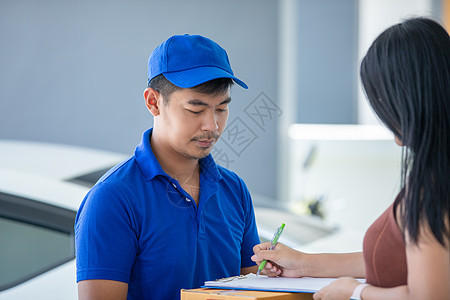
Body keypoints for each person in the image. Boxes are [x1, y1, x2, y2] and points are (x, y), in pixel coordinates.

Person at [252, 17, 449, 300]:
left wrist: (356, 292)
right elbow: (396, 257)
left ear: (407, 101)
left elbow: (430, 295)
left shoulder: (432, 187)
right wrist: (304, 263)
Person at [75, 34, 260, 299]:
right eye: (196, 110)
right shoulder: (113, 198)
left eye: (221, 109)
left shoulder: (234, 190)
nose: (212, 125)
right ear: (153, 102)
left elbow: (255, 291)